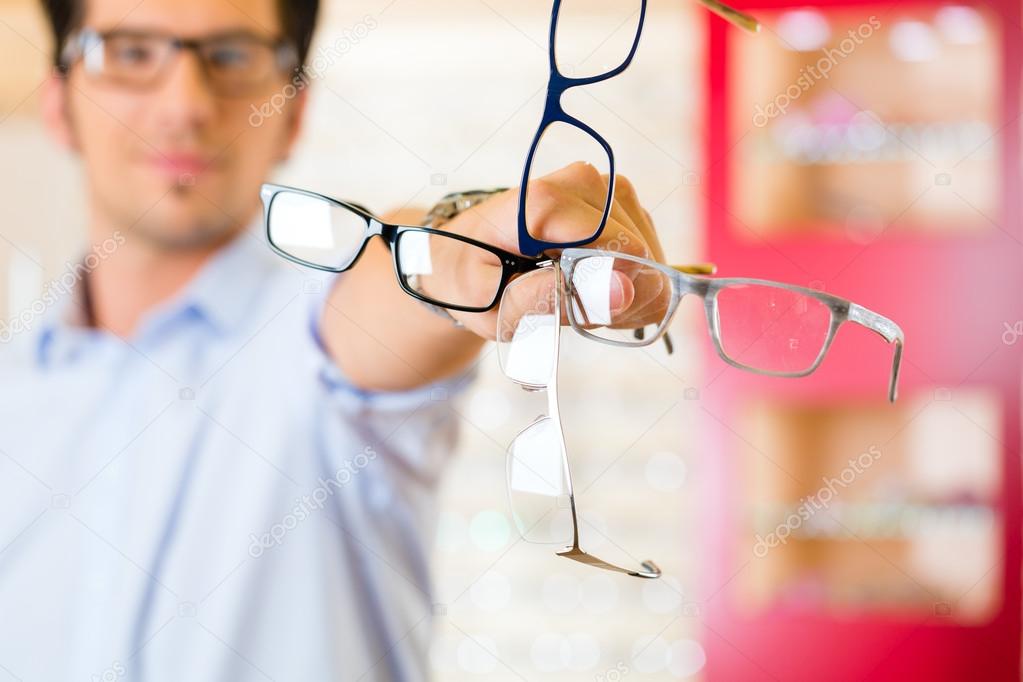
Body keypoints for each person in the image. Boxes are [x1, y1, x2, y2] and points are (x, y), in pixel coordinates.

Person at [0, 0, 666, 679]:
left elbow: (386, 291)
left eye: (231, 56)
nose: (184, 105)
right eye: (133, 53)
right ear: (58, 102)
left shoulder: (313, 332)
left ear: (292, 113)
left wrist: (461, 249)